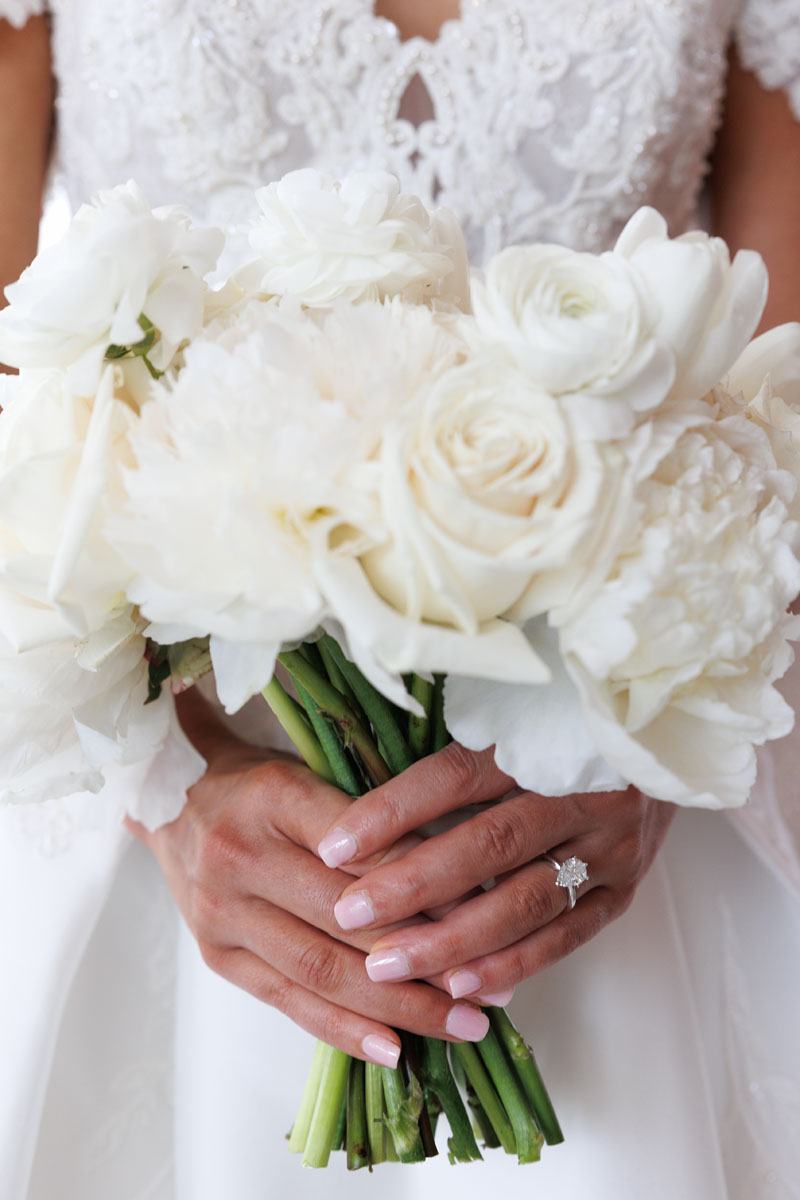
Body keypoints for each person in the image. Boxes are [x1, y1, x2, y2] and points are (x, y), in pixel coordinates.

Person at [1, 2, 799, 1198]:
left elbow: (772, 403)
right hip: (184, 794)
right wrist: (159, 784)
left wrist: (662, 745)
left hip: (587, 795)